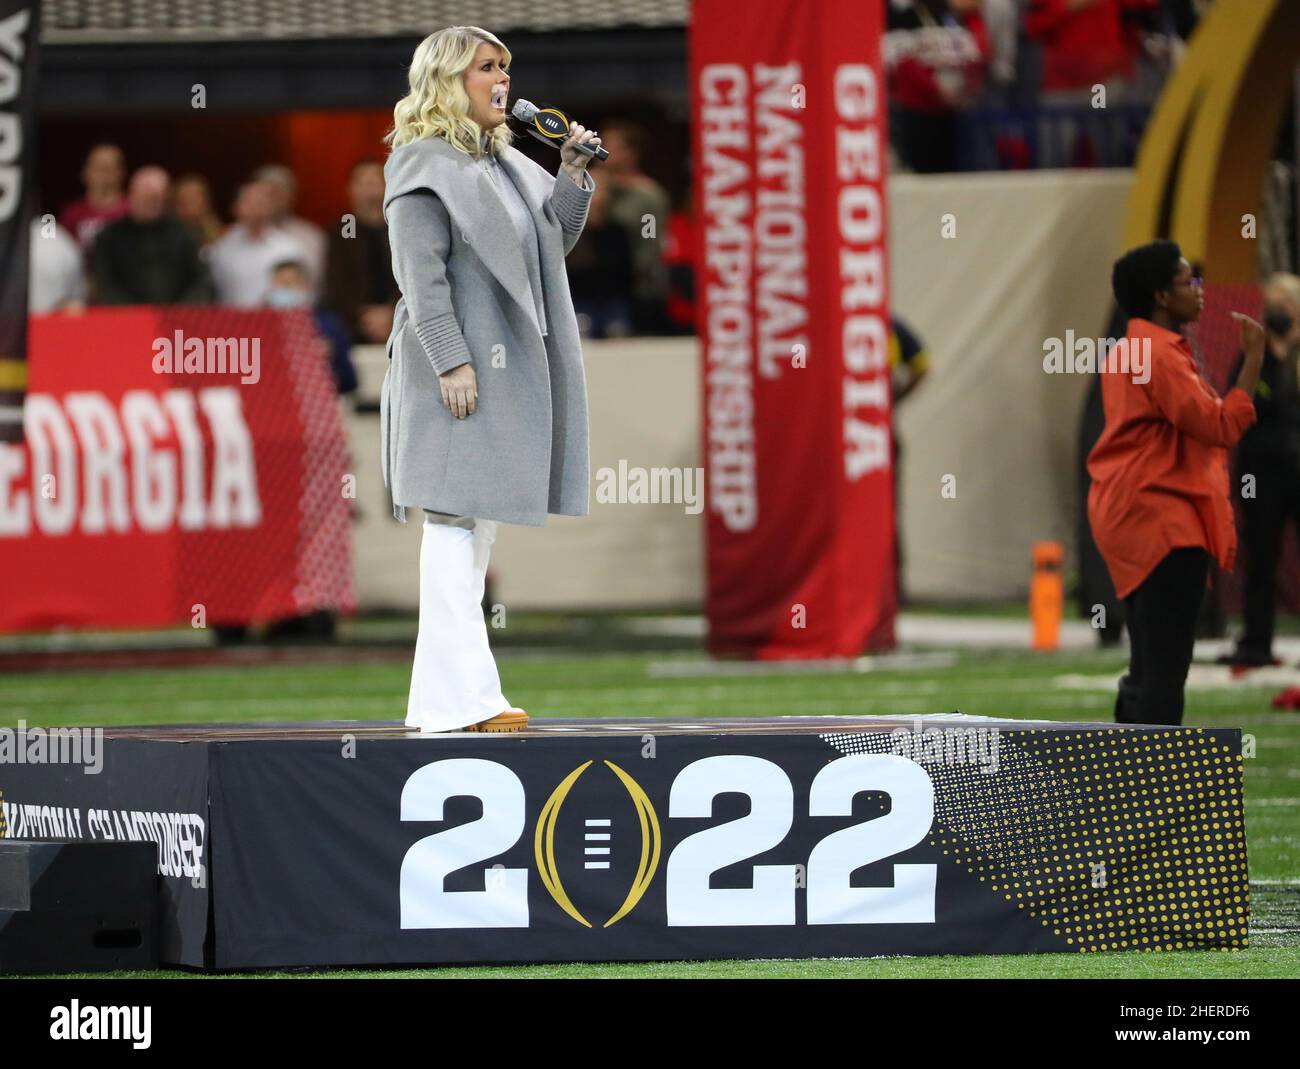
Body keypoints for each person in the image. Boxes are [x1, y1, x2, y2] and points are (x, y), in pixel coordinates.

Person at [381, 25, 598, 733]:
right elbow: (420, 275)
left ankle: (440, 705)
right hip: (453, 369)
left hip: (496, 369)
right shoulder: (421, 162)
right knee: (450, 523)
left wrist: (569, 172)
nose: (502, 77)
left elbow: (552, 246)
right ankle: (474, 701)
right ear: (450, 79)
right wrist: (450, 359)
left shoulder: (504, 159)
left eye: (505, 64)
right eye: (486, 66)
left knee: (474, 530)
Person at [1088, 240, 1265, 725]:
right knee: (1165, 671)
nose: (1200, 291)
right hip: (1163, 518)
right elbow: (1220, 427)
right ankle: (1152, 788)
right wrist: (1252, 359)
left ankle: (1124, 781)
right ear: (1162, 296)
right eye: (1190, 281)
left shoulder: (1129, 347)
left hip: (1130, 514)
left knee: (1145, 662)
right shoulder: (1159, 355)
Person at [1220, 272, 1300, 668]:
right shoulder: (1257, 354)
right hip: (1262, 474)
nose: (1278, 313)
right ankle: (1257, 641)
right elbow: (1240, 400)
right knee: (1261, 557)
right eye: (1272, 305)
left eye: (1285, 305)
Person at [90, 166, 212, 305]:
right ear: (132, 196)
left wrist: (182, 310)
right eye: (149, 199)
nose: (155, 204)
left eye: (160, 199)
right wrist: (131, 313)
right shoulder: (109, 236)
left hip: (176, 319)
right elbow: (103, 282)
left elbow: (201, 279)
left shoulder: (184, 234)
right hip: (125, 318)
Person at [324, 159, 401, 345]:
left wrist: (391, 313)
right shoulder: (347, 224)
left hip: (402, 320)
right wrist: (364, 315)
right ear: (351, 189)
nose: (370, 191)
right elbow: (339, 279)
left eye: (375, 183)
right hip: (353, 326)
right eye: (363, 183)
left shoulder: (401, 226)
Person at [266, 259, 357, 396]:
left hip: (317, 401)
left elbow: (350, 381)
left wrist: (332, 357)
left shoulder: (328, 326)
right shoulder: (262, 328)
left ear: (306, 286)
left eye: (289, 283)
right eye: (279, 284)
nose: (284, 289)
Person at [207, 179, 305, 307]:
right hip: (230, 321)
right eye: (250, 200)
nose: (256, 206)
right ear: (236, 207)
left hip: (273, 321)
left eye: (262, 201)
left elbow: (299, 295)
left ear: (271, 206)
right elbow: (215, 290)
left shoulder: (287, 248)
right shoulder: (223, 247)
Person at [254, 164, 328, 295]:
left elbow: (320, 284)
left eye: (280, 190)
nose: (274, 197)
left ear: (292, 195)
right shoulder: (239, 236)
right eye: (268, 192)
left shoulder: (312, 236)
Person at [58, 144, 128, 256]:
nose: (105, 174)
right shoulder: (72, 213)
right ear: (85, 172)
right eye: (99, 168)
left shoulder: (132, 211)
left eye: (110, 168)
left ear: (122, 172)